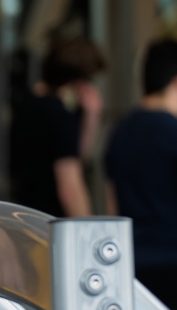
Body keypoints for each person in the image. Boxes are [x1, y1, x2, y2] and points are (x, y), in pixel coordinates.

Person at [105, 39, 177, 308]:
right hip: (172, 261)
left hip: (132, 268)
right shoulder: (172, 131)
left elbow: (112, 207)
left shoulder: (119, 132)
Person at [9, 36, 105, 217]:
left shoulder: (26, 107)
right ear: (79, 81)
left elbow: (76, 157)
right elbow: (70, 189)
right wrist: (88, 234)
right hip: (53, 225)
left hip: (26, 218)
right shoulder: (60, 117)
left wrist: (90, 119)